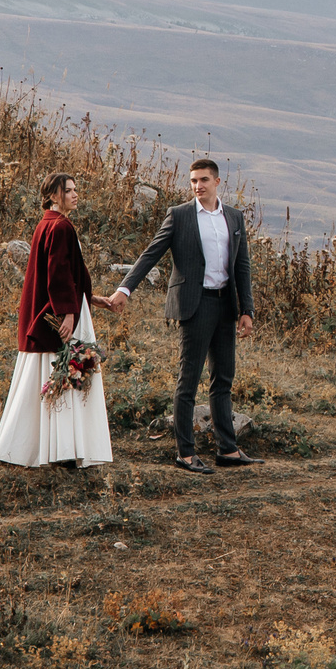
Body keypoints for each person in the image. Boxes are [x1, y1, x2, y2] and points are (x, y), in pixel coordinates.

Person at [114, 156, 255, 474]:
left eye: (203, 180)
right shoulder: (179, 216)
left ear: (217, 182)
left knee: (223, 379)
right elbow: (152, 253)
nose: (197, 186)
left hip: (225, 306)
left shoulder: (233, 218)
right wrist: (125, 289)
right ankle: (185, 454)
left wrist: (246, 310)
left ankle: (227, 450)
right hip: (195, 304)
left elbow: (242, 266)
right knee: (188, 381)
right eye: (193, 181)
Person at [0, 171, 117, 469]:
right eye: (68, 190)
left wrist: (90, 298)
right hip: (58, 311)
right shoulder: (60, 226)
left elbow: (69, 272)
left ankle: (43, 447)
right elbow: (58, 273)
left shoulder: (48, 224)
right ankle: (63, 449)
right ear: (54, 195)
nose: (75, 194)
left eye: (75, 189)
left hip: (56, 307)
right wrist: (69, 312)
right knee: (62, 373)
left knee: (46, 375)